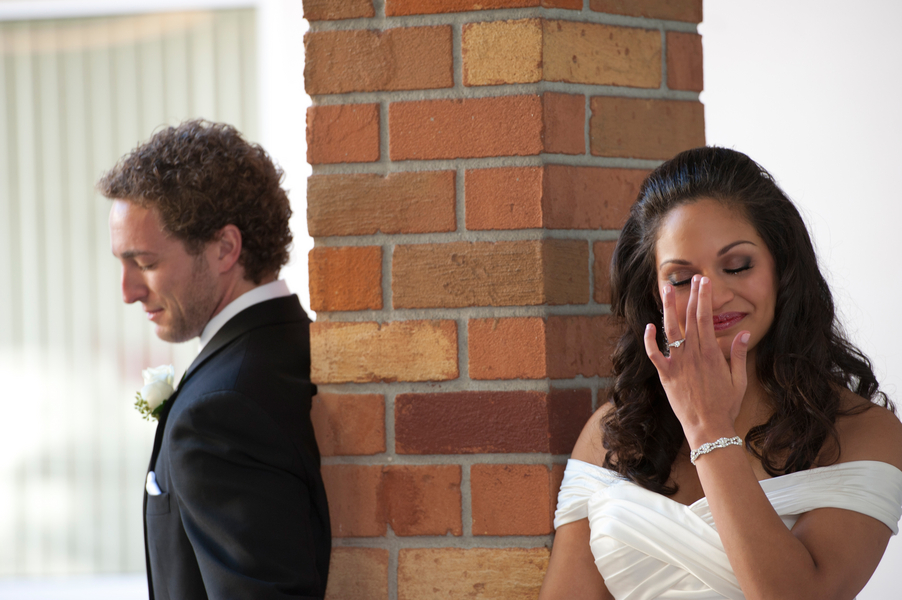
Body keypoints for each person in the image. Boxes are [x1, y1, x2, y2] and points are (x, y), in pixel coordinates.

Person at [539, 147, 902, 599]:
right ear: (654, 293)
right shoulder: (613, 432)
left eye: (736, 266)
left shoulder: (865, 434)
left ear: (782, 268)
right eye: (682, 279)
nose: (710, 297)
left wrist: (708, 428)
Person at [101, 120, 330, 600]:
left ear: (226, 248)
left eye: (144, 263)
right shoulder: (297, 344)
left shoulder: (220, 410)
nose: (128, 292)